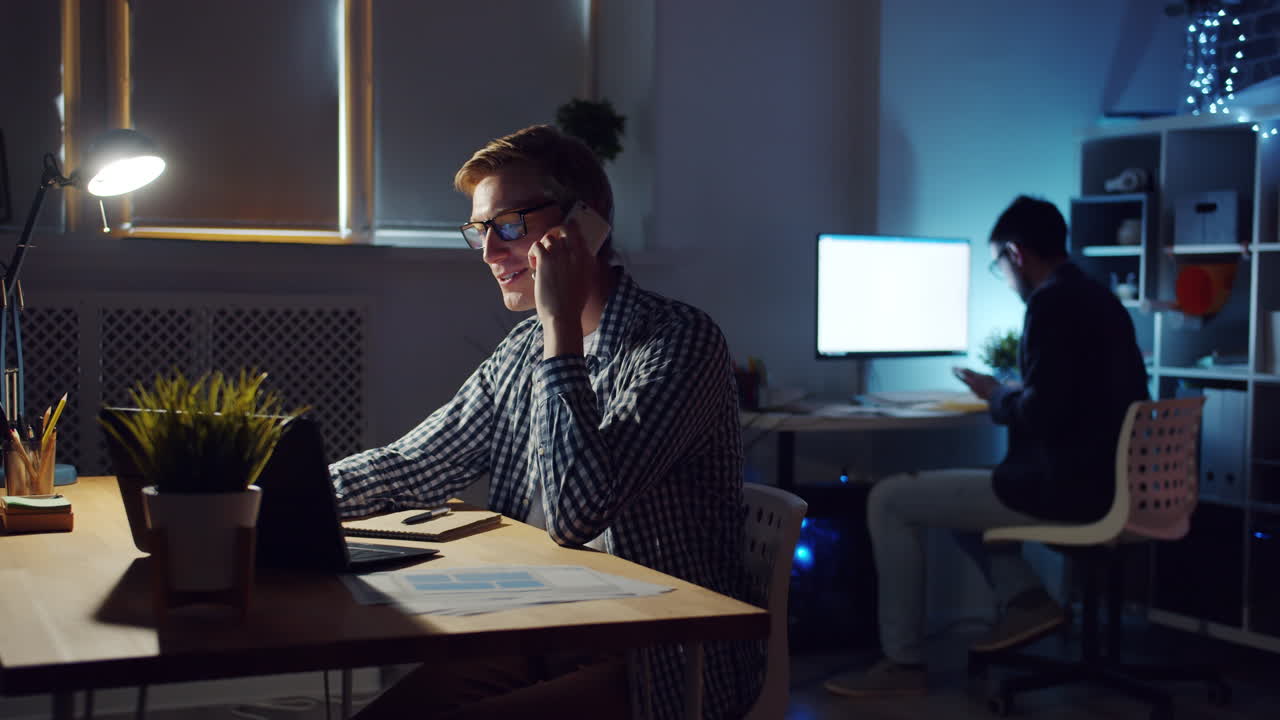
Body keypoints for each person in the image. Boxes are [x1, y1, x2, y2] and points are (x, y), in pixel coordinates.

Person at [330, 125, 761, 719]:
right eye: (480, 230)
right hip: (538, 632)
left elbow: (577, 511)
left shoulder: (677, 341)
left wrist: (559, 329)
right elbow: (412, 464)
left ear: (585, 222)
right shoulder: (518, 352)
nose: (488, 252)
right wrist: (268, 498)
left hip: (655, 658)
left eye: (509, 225)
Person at [824, 195, 1149, 698]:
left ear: (1017, 254)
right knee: (959, 490)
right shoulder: (1098, 296)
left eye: (999, 263)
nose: (1005, 274)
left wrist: (997, 395)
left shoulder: (1050, 303)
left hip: (1069, 489)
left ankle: (903, 665)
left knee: (890, 498)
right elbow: (1075, 398)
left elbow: (1046, 414)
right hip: (1111, 482)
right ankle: (1024, 600)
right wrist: (1016, 392)